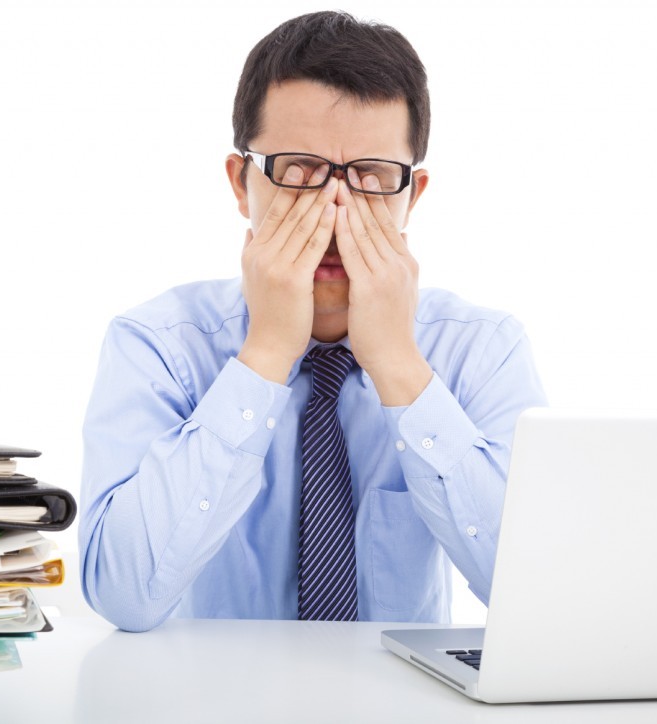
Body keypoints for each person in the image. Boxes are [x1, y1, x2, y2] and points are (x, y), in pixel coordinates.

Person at [79, 11, 547, 632]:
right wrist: (267, 353)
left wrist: (399, 367)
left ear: (413, 196)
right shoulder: (157, 345)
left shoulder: (483, 349)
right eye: (299, 170)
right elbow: (122, 594)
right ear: (241, 184)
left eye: (372, 177)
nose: (335, 210)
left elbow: (539, 595)